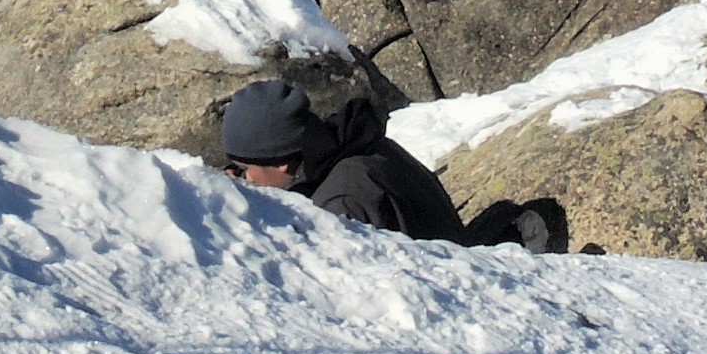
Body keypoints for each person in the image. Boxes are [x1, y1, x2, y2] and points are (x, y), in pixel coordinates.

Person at [217, 80, 567, 251]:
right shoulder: (360, 147)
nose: (241, 180)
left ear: (279, 164)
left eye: (244, 170)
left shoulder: (341, 200)